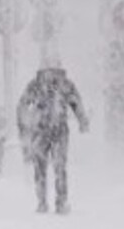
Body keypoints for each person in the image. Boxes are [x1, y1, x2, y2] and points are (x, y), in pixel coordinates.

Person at [17, 59, 89, 214]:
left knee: (40, 169)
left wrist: (25, 126)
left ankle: (42, 203)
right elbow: (76, 102)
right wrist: (82, 121)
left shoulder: (35, 84)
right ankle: (61, 203)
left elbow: (22, 104)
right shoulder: (65, 83)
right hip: (59, 131)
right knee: (60, 168)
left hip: (39, 131)